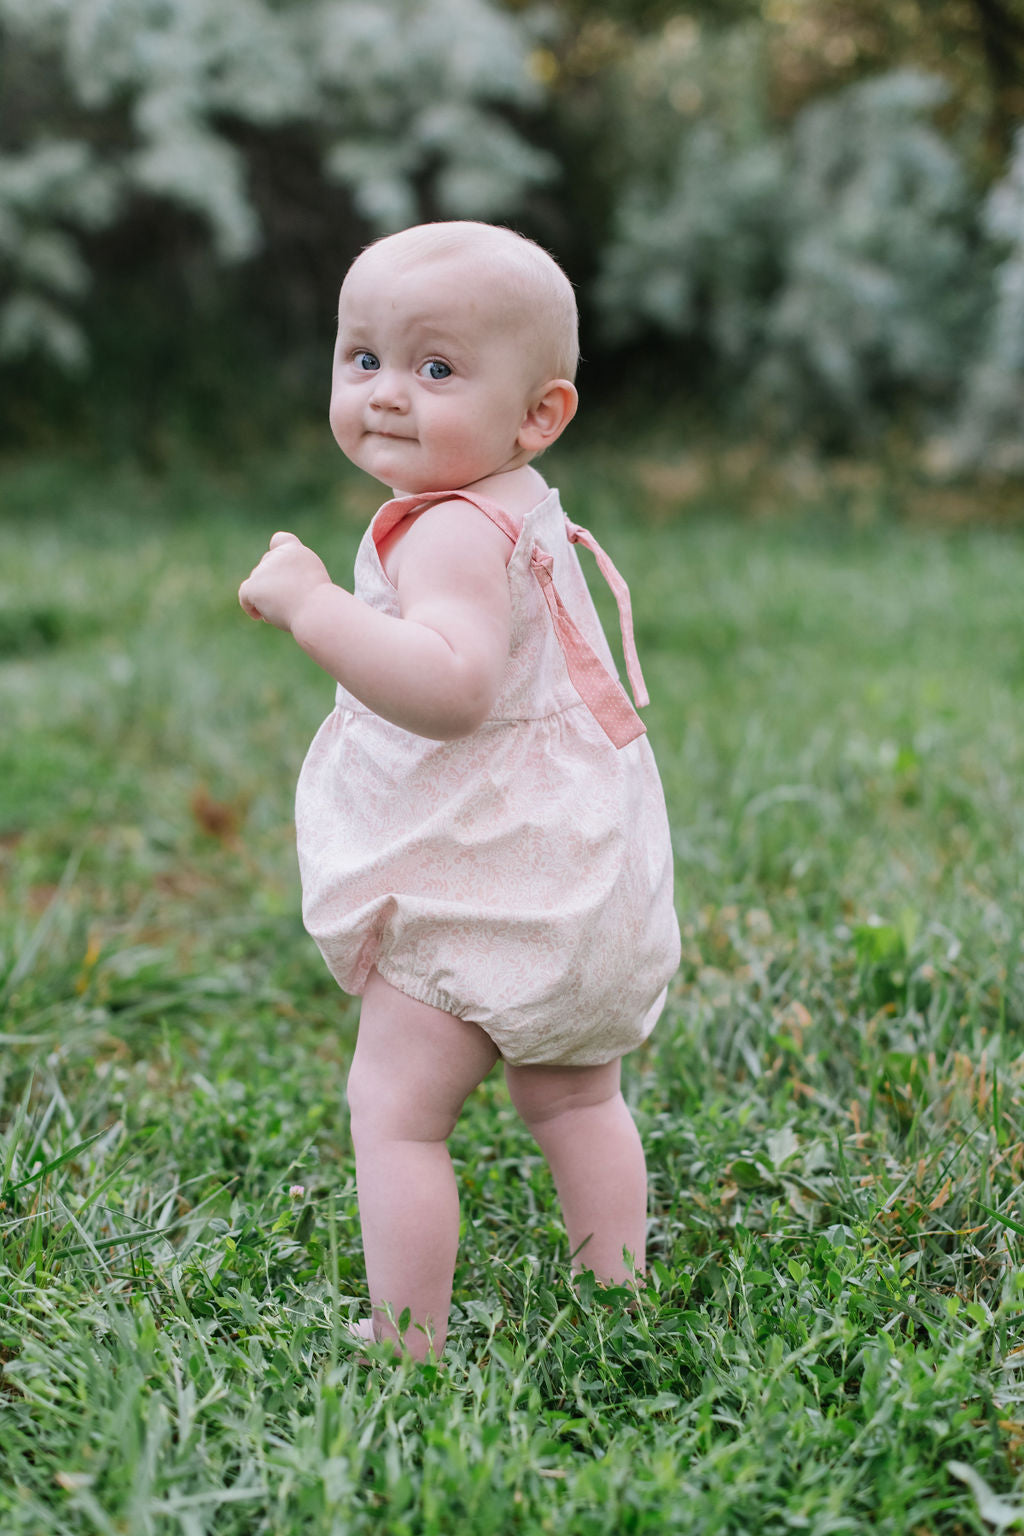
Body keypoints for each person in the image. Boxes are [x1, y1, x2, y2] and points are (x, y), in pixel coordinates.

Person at [238, 221, 680, 1361]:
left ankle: (409, 1334)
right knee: (576, 1100)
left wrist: (311, 608)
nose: (386, 393)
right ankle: (616, 1293)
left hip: (482, 882)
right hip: (579, 869)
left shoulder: (445, 534)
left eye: (434, 369)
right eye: (362, 357)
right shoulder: (516, 496)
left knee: (394, 1112)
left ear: (539, 413)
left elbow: (451, 689)